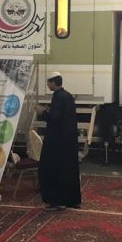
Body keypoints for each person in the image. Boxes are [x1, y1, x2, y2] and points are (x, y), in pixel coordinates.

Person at [36, 72, 81, 210]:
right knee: (69, 169)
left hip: (57, 141)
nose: (47, 85)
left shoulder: (58, 97)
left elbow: (54, 119)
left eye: (48, 82)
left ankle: (57, 201)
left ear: (54, 83)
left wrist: (42, 112)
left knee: (53, 168)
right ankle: (71, 200)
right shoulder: (67, 95)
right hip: (68, 140)